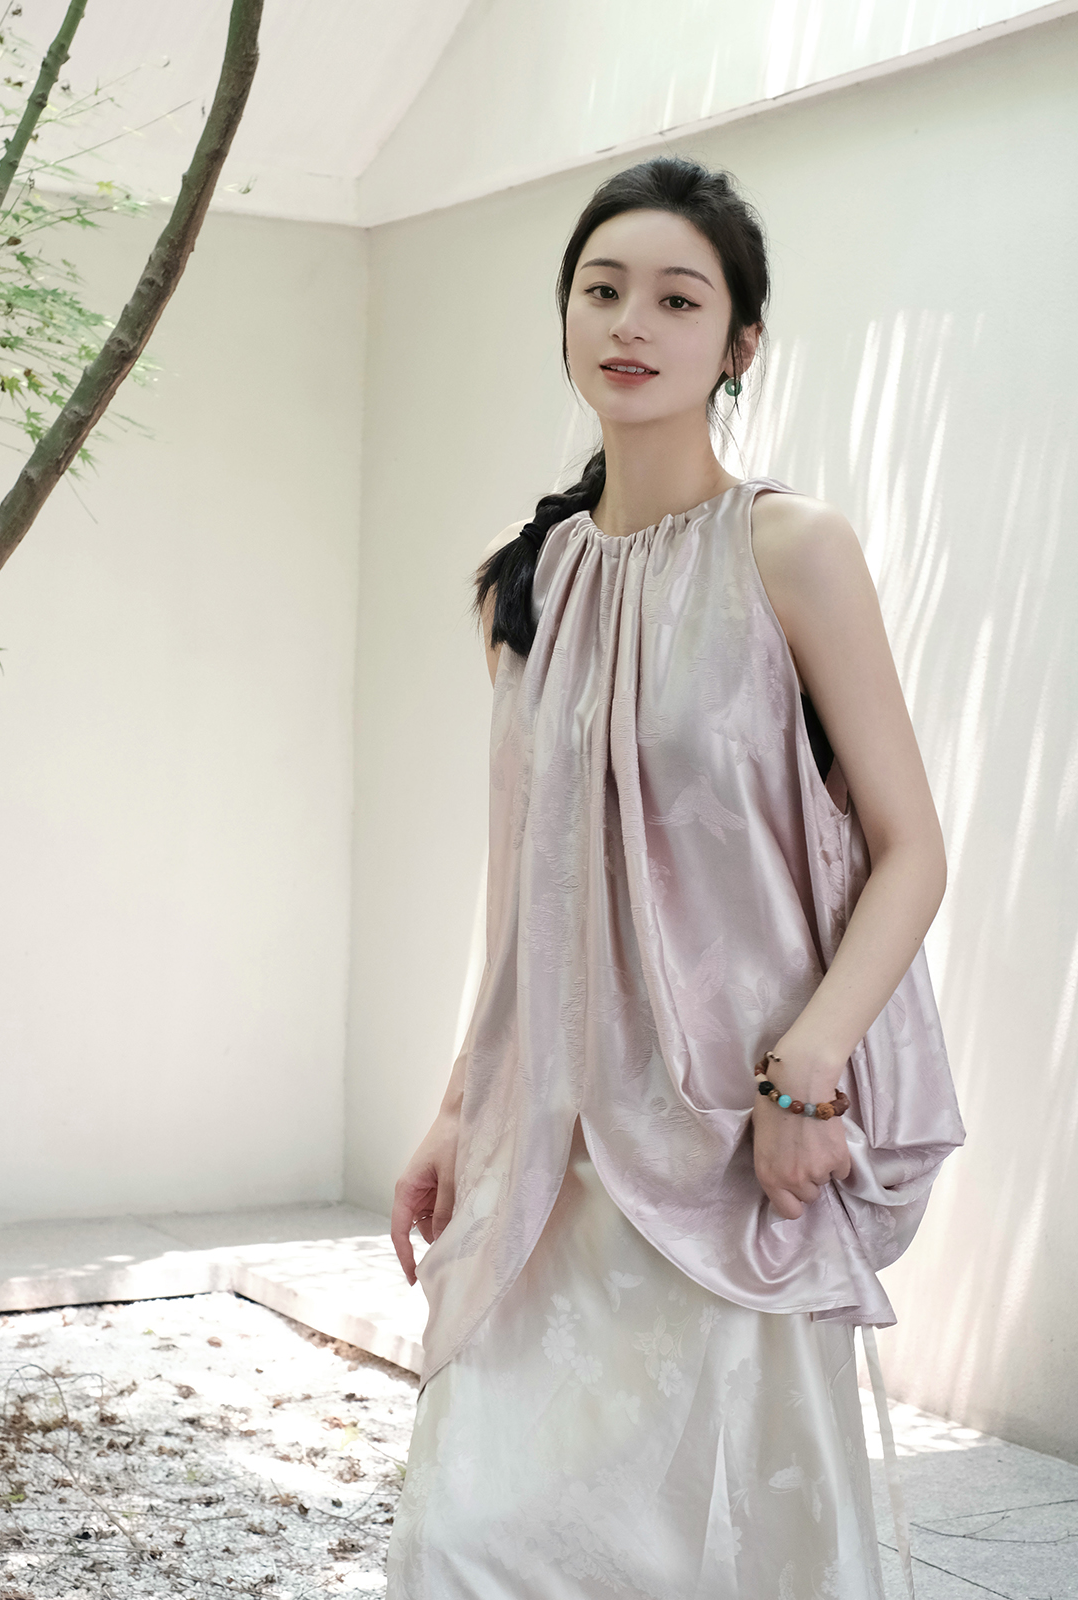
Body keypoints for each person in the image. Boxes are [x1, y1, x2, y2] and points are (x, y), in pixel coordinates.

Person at [385, 155, 964, 1600]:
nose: (630, 321)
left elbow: (912, 849)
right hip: (551, 1160)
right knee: (465, 1545)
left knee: (726, 1556)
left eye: (677, 298)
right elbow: (527, 896)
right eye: (602, 290)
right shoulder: (523, 588)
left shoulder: (793, 551)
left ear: (739, 343)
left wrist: (806, 1074)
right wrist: (456, 1106)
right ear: (566, 320)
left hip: (728, 1151)